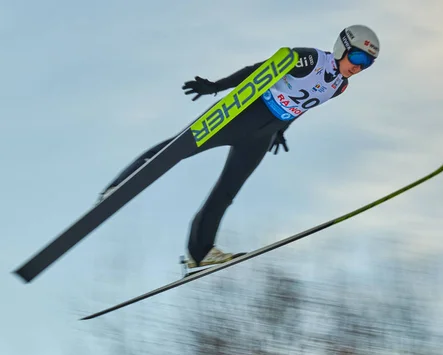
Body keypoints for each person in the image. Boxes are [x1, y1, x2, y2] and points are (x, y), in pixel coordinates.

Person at [98, 25, 380, 274]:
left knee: (227, 190)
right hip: (244, 114)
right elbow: (257, 71)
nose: (358, 66)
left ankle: (199, 253)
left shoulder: (339, 87)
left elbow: (301, 106)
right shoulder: (311, 59)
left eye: (366, 64)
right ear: (342, 48)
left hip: (263, 135)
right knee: (177, 148)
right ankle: (120, 185)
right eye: (356, 57)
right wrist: (215, 87)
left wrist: (281, 130)